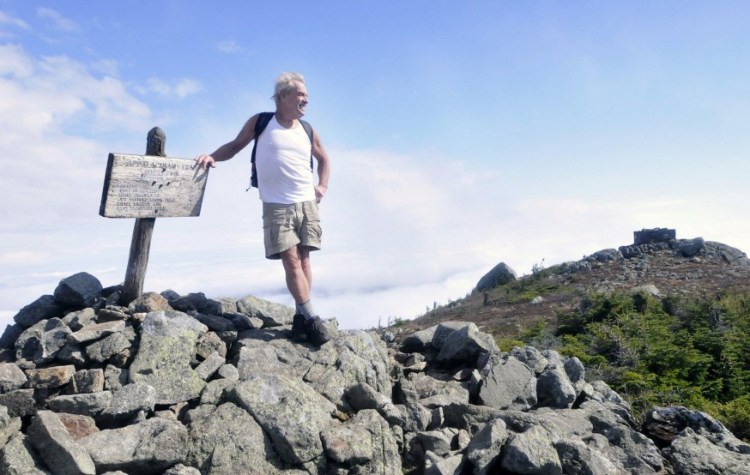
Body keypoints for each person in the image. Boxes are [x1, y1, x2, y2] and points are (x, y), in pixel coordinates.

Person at [195, 72, 336, 345]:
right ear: (283, 96)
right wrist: (212, 156)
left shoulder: (308, 130)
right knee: (291, 260)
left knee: (304, 260)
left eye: (307, 95)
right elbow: (235, 146)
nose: (306, 100)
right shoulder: (261, 122)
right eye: (301, 94)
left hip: (307, 202)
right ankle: (312, 318)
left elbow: (324, 159)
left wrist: (323, 186)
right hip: (277, 205)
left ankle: (300, 318)